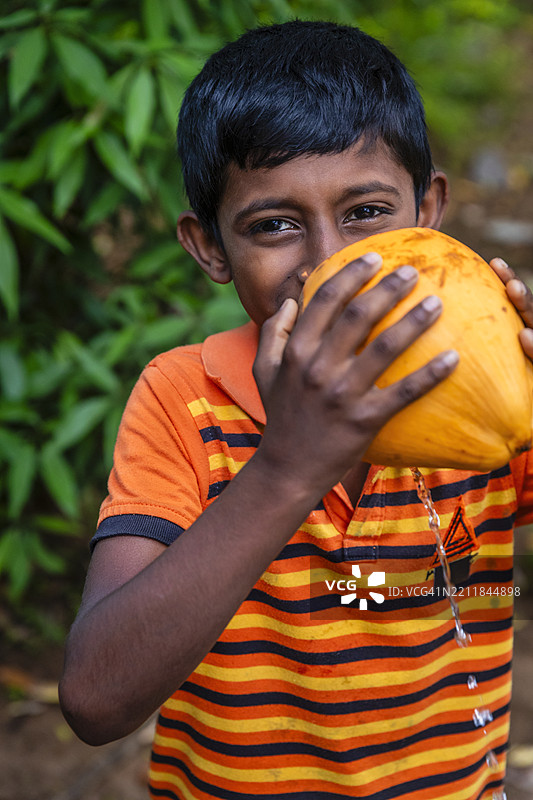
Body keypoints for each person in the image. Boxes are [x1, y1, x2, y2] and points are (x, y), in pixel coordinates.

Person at [59, 20, 533, 800]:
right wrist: (287, 467)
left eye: (366, 212)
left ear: (429, 208)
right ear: (209, 247)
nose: (327, 263)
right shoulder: (183, 398)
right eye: (273, 225)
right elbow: (95, 698)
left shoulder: (488, 382)